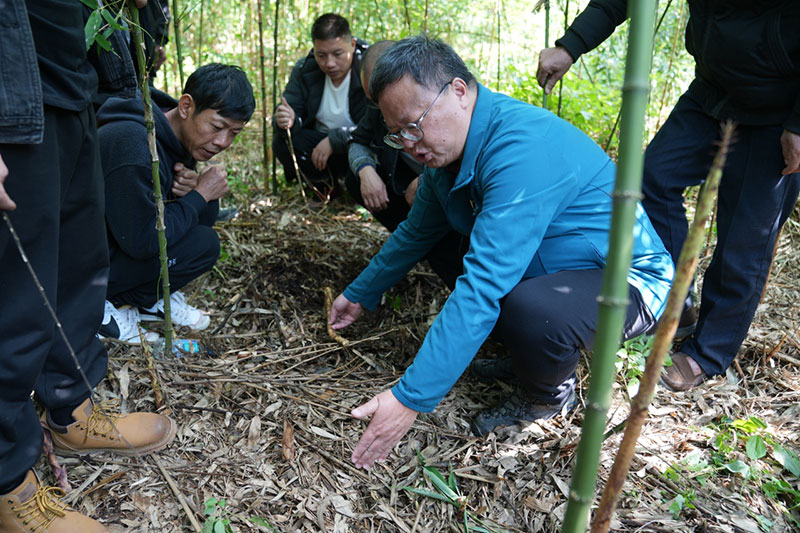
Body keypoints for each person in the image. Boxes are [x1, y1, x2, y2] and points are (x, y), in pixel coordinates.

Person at [328, 36, 674, 469]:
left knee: (529, 307)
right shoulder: (451, 154)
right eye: (397, 136)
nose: (410, 144)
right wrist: (360, 293)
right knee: (473, 267)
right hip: (560, 269)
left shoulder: (519, 149)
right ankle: (528, 357)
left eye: (414, 125)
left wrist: (408, 399)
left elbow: (484, 285)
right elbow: (415, 233)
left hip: (632, 282)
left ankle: (548, 397)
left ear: (457, 90)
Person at [537, 0, 800, 390]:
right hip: (712, 93)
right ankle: (676, 303)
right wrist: (571, 45)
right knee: (650, 181)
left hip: (777, 108)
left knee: (744, 240)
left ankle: (708, 354)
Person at [0, 1, 176, 529]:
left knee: (79, 267)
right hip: (10, 96)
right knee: (14, 297)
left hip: (69, 85)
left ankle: (70, 407)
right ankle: (7, 478)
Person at [97, 63, 255, 343]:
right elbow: (143, 240)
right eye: (217, 126)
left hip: (118, 244)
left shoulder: (178, 137)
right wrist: (198, 196)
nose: (222, 141)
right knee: (204, 244)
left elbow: (193, 216)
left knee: (202, 225)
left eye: (234, 133)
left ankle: (147, 301)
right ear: (185, 106)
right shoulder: (132, 141)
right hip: (85, 264)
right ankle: (102, 306)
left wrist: (195, 192)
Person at [345, 40, 468, 290]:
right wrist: (366, 171)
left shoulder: (459, 117)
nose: (408, 144)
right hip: (409, 190)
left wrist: (426, 180)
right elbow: (357, 140)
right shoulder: (379, 108)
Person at [272, 13, 368, 195]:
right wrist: (288, 119)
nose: (329, 63)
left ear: (352, 44)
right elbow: (292, 109)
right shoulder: (305, 69)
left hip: (358, 145)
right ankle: (325, 188)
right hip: (317, 149)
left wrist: (335, 139)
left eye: (337, 54)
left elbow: (377, 128)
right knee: (282, 142)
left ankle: (356, 188)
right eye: (321, 55)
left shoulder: (369, 68)